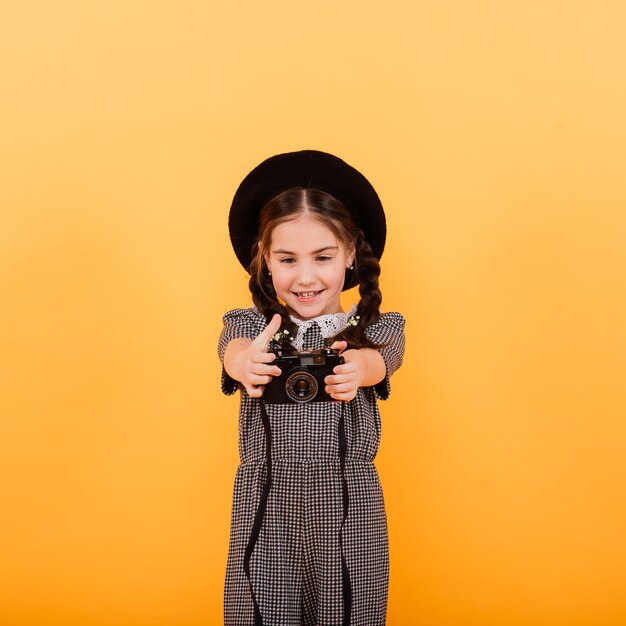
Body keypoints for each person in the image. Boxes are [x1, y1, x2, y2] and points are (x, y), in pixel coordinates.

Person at [218, 150, 405, 626]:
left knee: (350, 600)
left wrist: (360, 367)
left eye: (322, 257)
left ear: (349, 254)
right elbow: (231, 346)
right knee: (262, 602)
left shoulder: (373, 328)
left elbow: (385, 358)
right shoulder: (252, 325)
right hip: (267, 496)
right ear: (265, 259)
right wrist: (244, 361)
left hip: (348, 499)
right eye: (287, 259)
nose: (305, 277)